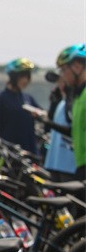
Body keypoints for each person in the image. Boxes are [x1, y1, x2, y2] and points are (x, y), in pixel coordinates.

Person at [0, 57, 41, 154]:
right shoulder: (0, 99)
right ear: (14, 77)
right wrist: (1, 146)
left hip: (31, 151)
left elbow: (44, 114)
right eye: (23, 77)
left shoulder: (28, 98)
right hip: (12, 154)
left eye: (28, 77)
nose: (26, 80)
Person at [55, 44, 86, 181]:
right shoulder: (78, 96)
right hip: (80, 166)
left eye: (64, 70)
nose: (62, 75)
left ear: (77, 67)